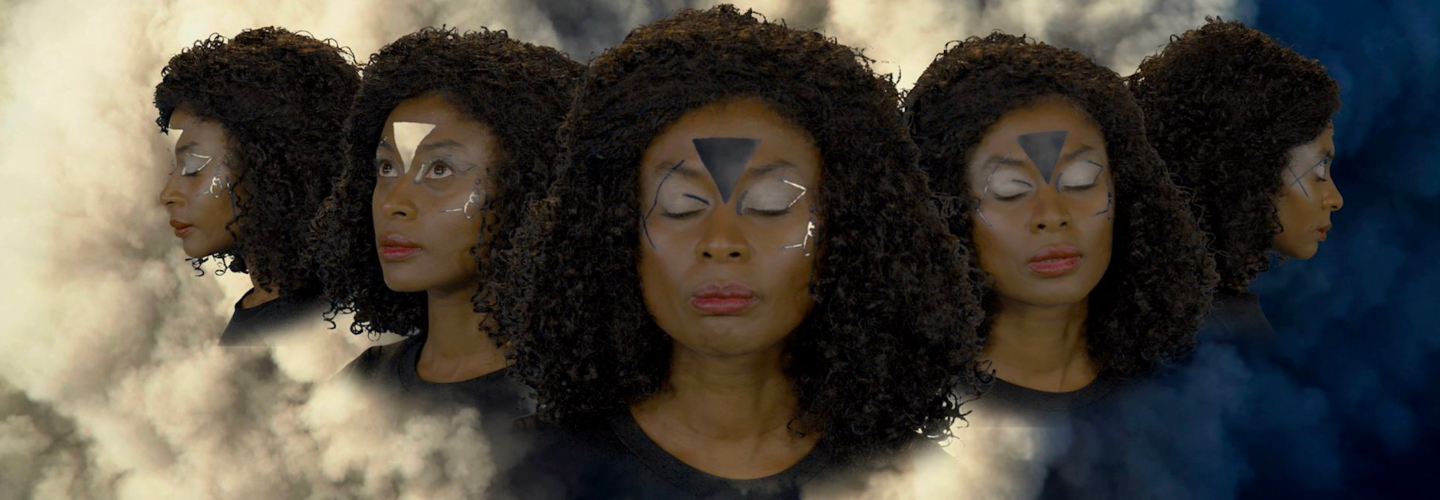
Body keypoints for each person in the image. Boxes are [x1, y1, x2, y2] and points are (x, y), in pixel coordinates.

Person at [493, 6, 987, 499]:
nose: (722, 243)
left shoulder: (922, 481)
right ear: (611, 232)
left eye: (771, 204)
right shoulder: (518, 473)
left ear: (850, 230)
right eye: (682, 205)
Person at [904, 33, 1216, 420]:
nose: (1052, 214)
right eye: (1010, 188)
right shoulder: (896, 422)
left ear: (1126, 191)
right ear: (945, 208)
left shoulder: (1197, 396)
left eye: (1082, 180)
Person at [309, 27, 581, 425]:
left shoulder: (583, 413)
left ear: (529, 188)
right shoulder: (361, 384)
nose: (393, 201)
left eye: (439, 169)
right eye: (386, 168)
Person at [1128, 18, 1345, 347]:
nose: (1335, 198)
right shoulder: (1224, 336)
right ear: (1250, 170)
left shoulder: (1136, 306)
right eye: (1318, 170)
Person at [155, 27, 359, 345]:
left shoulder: (327, 332)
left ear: (276, 165)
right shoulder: (265, 312)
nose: (167, 195)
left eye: (194, 166)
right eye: (173, 168)